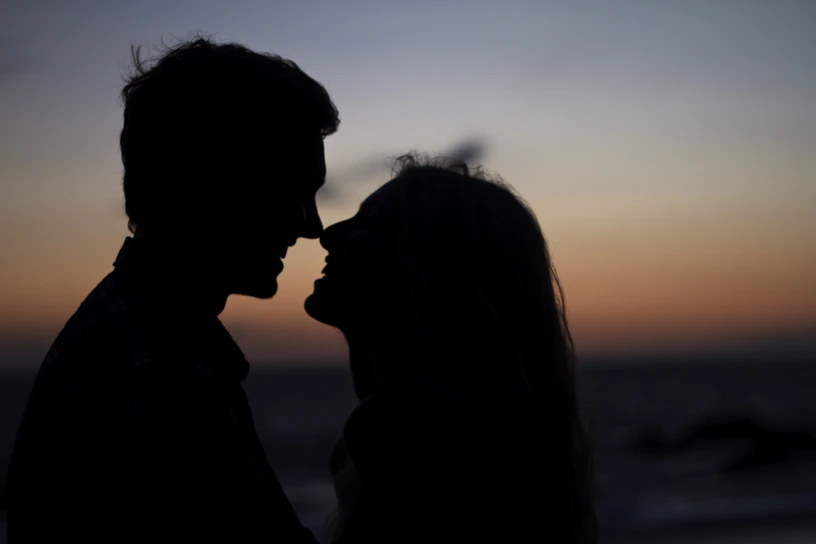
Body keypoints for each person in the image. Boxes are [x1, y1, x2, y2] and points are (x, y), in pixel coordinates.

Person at [6, 37, 338, 543]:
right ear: (217, 179)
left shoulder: (150, 337)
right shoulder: (152, 367)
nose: (312, 226)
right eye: (295, 190)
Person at [306, 155, 597, 543]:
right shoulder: (492, 426)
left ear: (434, 270)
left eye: (372, 221)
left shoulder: (409, 426)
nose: (330, 234)